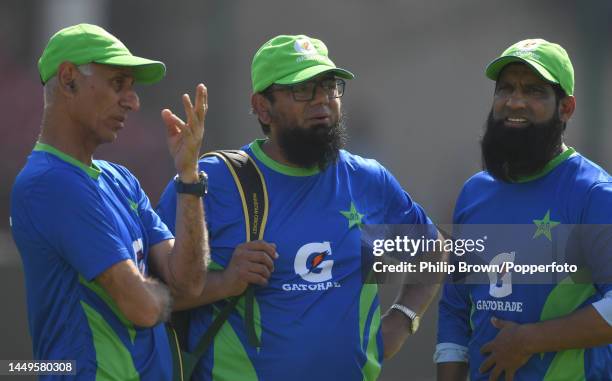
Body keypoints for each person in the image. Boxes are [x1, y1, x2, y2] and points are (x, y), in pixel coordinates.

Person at [156, 34, 442, 381]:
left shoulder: (368, 179)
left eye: (329, 86)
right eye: (302, 90)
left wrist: (402, 319)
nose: (322, 100)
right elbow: (146, 299)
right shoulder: (211, 181)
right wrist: (224, 281)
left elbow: (433, 251)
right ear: (262, 107)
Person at [10, 23, 209, 380]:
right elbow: (143, 308)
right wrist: (204, 287)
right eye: (118, 84)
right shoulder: (49, 182)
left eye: (131, 89)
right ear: (68, 78)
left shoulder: (121, 180)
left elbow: (189, 281)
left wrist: (189, 177)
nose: (133, 102)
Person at [435, 39, 612, 381]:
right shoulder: (475, 192)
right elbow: (455, 310)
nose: (515, 101)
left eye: (533, 91)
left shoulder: (594, 193)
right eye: (506, 89)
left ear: (566, 108)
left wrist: (530, 341)